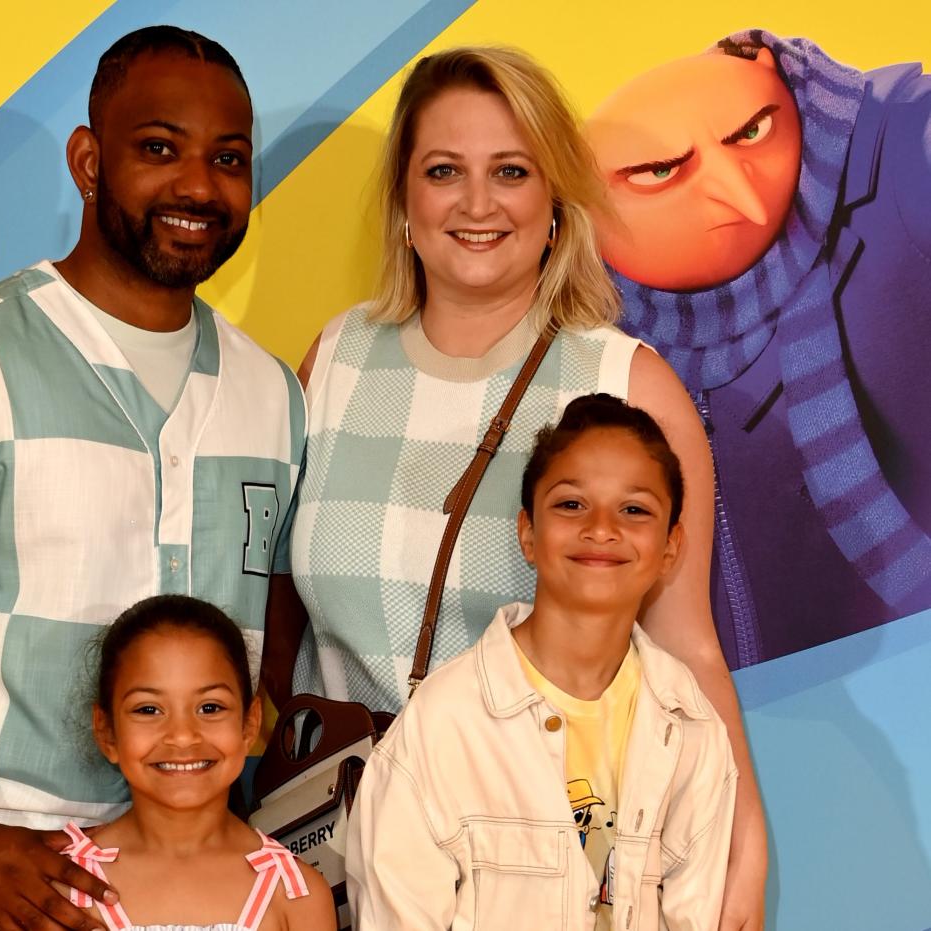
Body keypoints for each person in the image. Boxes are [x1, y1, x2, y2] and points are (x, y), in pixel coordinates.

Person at [0, 26, 305, 931]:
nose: (197, 185)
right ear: (87, 160)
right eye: (159, 148)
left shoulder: (271, 392)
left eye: (227, 159)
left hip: (189, 903)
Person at [264, 46, 765, 928]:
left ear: (554, 201)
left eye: (511, 171)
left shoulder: (627, 384)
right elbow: (278, 620)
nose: (477, 203)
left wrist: (741, 856)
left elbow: (686, 650)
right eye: (444, 171)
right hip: (328, 854)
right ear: (405, 203)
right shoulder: (333, 359)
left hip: (537, 864)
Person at [585, 29, 931, 668]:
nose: (739, 197)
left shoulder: (894, 139)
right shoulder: (577, 344)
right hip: (732, 722)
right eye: (662, 170)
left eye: (750, 134)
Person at [346, 394, 737, 930]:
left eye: (635, 509)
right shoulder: (442, 725)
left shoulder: (691, 727)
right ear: (528, 532)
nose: (601, 528)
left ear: (671, 546)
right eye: (572, 504)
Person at [54, 595, 335, 930]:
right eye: (148, 709)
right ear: (107, 732)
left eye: (210, 708)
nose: (183, 735)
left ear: (249, 724)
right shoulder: (64, 887)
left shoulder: (295, 894)